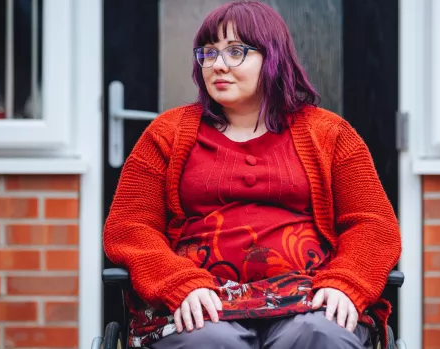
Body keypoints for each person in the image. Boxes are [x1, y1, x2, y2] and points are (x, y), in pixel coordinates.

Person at [103, 1, 401, 348]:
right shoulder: (167, 134)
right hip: (202, 304)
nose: (218, 65)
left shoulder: (330, 134)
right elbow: (129, 226)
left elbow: (373, 225)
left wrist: (347, 281)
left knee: (319, 335)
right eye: (209, 53)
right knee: (209, 341)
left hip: (307, 300)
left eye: (235, 52)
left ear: (272, 58)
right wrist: (176, 282)